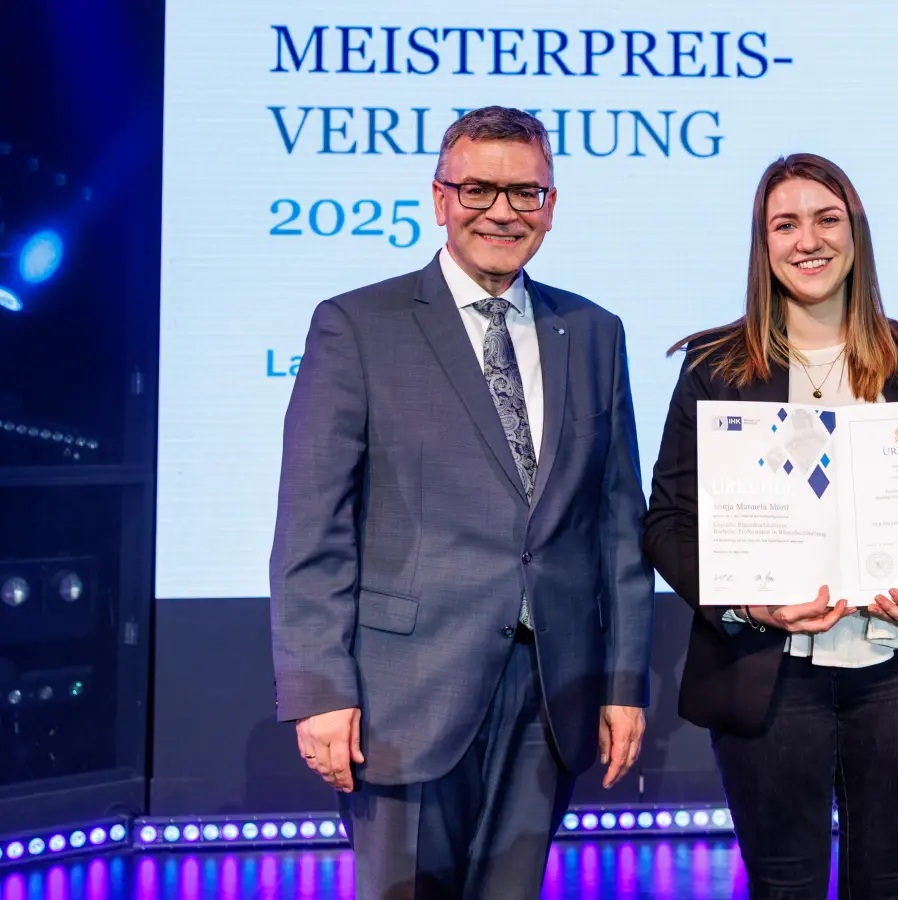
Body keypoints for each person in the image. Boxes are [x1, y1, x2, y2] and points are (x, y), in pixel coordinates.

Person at [269, 105, 654, 900]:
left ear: (552, 205)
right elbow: (313, 526)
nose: (503, 212)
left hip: (550, 692)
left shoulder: (593, 332)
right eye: (479, 189)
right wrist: (320, 690)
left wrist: (622, 682)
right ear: (439, 198)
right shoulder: (357, 325)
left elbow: (618, 528)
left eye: (526, 193)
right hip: (401, 695)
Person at [643, 153, 898, 900]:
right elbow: (665, 523)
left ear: (856, 232)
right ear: (764, 244)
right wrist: (746, 599)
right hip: (770, 674)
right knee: (784, 887)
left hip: (897, 673)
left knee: (887, 887)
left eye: (826, 218)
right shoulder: (714, 366)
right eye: (784, 224)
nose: (807, 240)